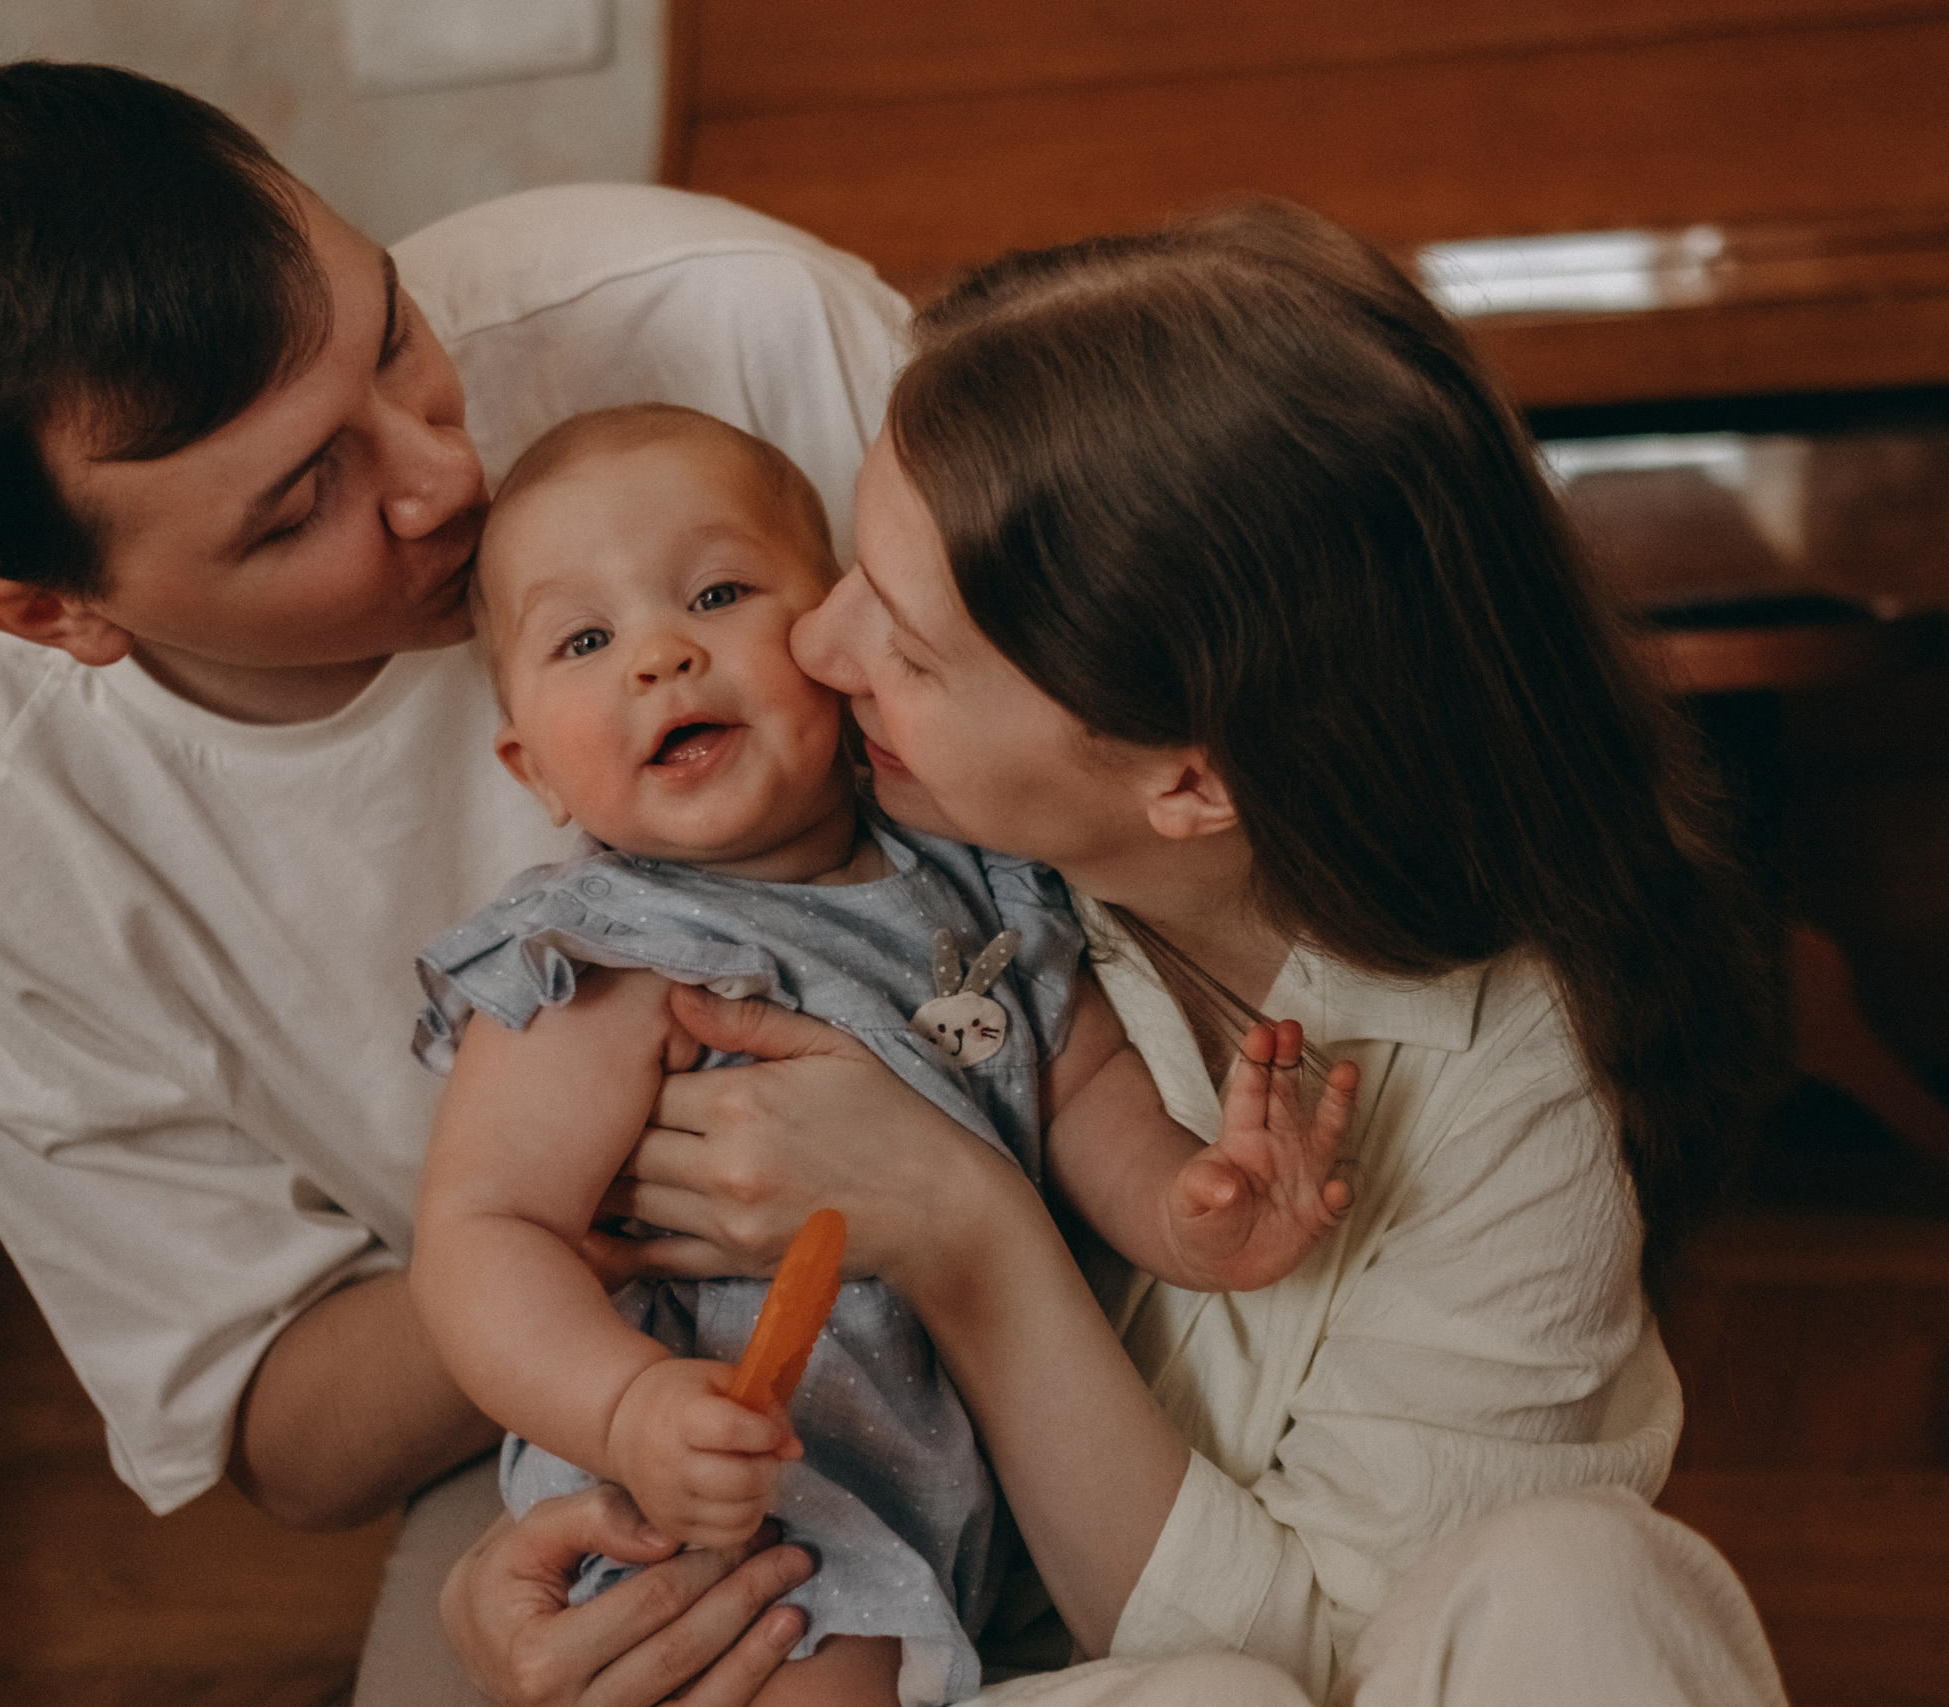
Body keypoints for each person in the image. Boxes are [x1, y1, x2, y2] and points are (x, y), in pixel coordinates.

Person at [438, 203, 1793, 1706]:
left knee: (1585, 1580)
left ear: (1191, 783)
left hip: (1193, 1649)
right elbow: (492, 1241)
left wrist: (967, 1231)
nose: (816, 649)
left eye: (905, 637)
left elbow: (1350, 1664)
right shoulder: (722, 922)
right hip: (847, 1595)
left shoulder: (1495, 1098)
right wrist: (572, 1487)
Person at [0, 62, 906, 1702]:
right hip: (603, 1413)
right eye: (301, 502)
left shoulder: (714, 322)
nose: (443, 477)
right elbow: (284, 1435)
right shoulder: (24, 880)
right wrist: (542, 1215)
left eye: (390, 336)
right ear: (55, 616)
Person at [409, 405, 1358, 1706]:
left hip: (965, 1502)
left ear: (837, 640)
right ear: (535, 771)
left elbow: (1078, 1085)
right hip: (730, 1500)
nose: (662, 657)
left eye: (719, 593)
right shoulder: (609, 951)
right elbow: (482, 1230)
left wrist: (1189, 1211)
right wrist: (630, 1412)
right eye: (586, 639)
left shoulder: (983, 883)